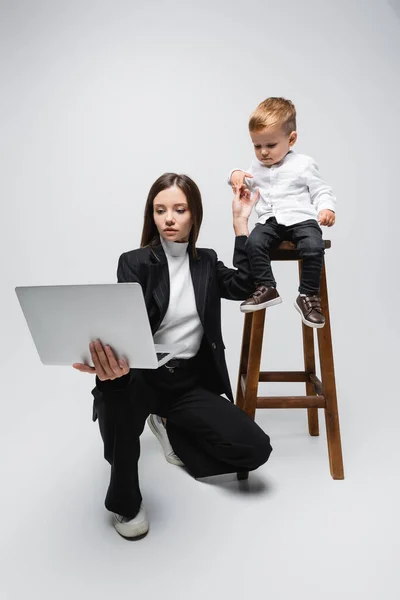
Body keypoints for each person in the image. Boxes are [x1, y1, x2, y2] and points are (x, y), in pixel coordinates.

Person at [73, 173, 272, 540]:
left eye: (179, 209)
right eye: (160, 209)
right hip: (141, 377)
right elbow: (123, 325)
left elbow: (247, 285)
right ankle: (124, 503)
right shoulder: (134, 263)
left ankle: (167, 426)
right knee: (118, 409)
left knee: (255, 449)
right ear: (152, 215)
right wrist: (105, 365)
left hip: (187, 383)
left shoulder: (207, 262)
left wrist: (241, 225)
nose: (169, 218)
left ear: (193, 215)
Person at [228, 97, 336, 328]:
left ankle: (307, 295)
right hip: (271, 221)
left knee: (313, 246)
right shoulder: (256, 168)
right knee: (254, 242)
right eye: (257, 146)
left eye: (270, 145)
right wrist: (235, 175)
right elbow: (242, 182)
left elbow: (321, 190)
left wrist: (326, 208)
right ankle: (267, 287)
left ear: (291, 139)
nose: (263, 152)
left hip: (301, 219)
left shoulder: (303, 164)